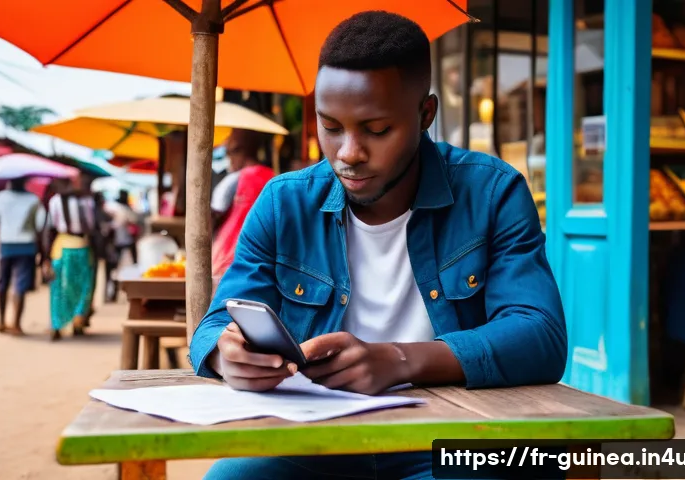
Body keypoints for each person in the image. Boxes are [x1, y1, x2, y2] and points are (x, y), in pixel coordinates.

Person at [191, 11, 567, 479]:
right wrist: (225, 356)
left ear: (425, 115)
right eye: (330, 126)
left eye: (376, 129)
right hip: (312, 442)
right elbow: (214, 326)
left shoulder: (493, 193)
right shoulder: (283, 203)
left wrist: (397, 359)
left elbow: (540, 336)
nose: (348, 153)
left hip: (451, 441)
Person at [210, 129, 275, 278]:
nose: (228, 159)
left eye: (229, 152)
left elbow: (212, 215)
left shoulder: (234, 179)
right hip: (262, 263)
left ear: (239, 149)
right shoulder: (272, 178)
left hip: (227, 263)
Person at [0, 176, 46, 335]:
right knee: (20, 284)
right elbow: (40, 224)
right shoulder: (34, 199)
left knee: (2, 283)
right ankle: (16, 324)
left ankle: (1, 320)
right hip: (27, 246)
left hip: (5, 244)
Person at [41, 174, 97, 341]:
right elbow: (93, 226)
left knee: (59, 287)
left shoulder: (55, 201)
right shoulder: (88, 201)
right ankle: (78, 321)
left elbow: (49, 229)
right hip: (83, 247)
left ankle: (56, 325)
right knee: (83, 286)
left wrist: (45, 257)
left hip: (61, 247)